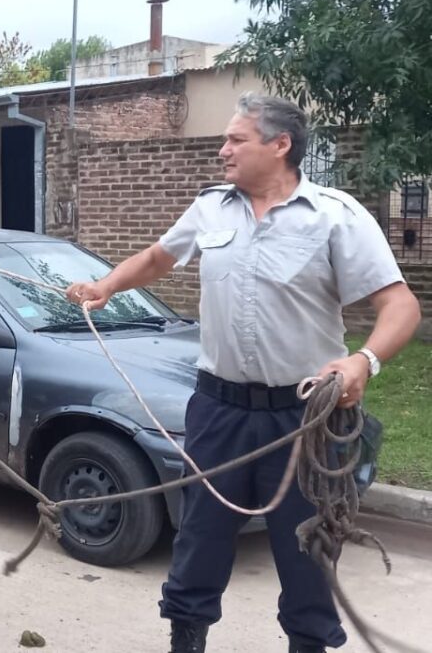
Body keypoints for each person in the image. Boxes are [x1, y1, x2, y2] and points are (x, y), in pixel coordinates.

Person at [65, 93, 422, 653]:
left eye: (236, 139)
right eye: (225, 139)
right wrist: (107, 286)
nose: (223, 150)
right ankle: (186, 641)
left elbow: (400, 305)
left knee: (308, 551)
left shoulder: (336, 215)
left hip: (304, 420)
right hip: (218, 411)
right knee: (199, 542)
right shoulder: (211, 207)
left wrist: (363, 360)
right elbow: (161, 256)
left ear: (280, 146)